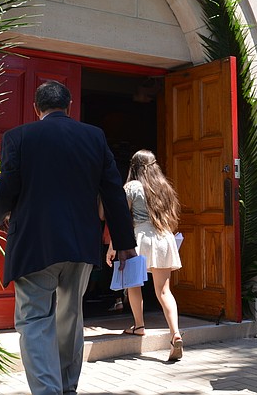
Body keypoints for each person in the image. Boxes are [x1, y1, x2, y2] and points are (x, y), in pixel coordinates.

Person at [0, 80, 137, 395]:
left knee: (34, 319)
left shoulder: (19, 137)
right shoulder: (94, 137)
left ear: (35, 108)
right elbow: (112, 191)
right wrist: (125, 242)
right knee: (70, 316)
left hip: (34, 243)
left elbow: (8, 186)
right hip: (79, 244)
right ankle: (68, 387)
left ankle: (48, 391)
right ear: (69, 107)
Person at [107, 149, 184, 361]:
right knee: (164, 291)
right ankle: (175, 333)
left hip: (140, 237)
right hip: (164, 238)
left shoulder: (132, 187)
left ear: (134, 166)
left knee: (134, 284)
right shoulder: (164, 187)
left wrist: (113, 245)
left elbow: (121, 218)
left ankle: (139, 325)